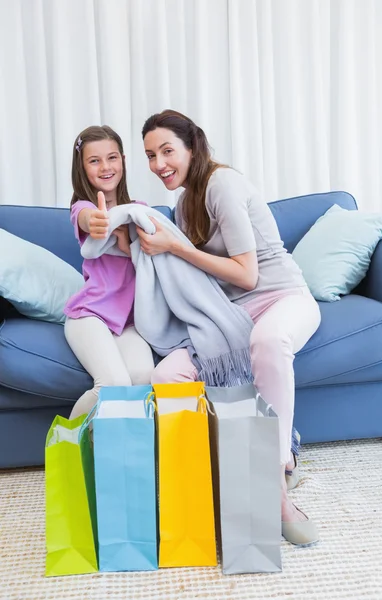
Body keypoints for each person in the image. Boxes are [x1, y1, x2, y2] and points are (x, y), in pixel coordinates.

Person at [139, 110, 321, 546]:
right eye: (149, 155)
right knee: (165, 374)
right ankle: (203, 483)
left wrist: (177, 247)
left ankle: (275, 485)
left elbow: (247, 275)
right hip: (230, 316)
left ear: (191, 147)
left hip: (283, 297)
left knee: (269, 340)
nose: (159, 163)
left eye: (167, 150)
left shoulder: (223, 185)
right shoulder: (183, 204)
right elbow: (196, 279)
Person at [64, 125, 154, 420]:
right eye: (94, 160)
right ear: (82, 167)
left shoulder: (138, 210)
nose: (105, 167)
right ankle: (65, 442)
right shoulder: (83, 207)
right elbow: (89, 219)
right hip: (89, 316)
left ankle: (117, 453)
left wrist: (129, 242)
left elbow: (155, 259)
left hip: (128, 322)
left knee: (142, 378)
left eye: (112, 158)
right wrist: (100, 221)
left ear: (123, 161)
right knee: (113, 383)